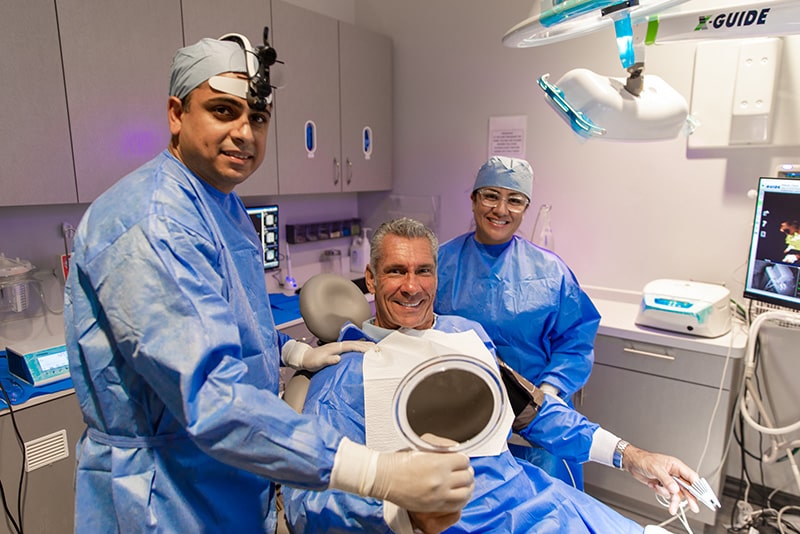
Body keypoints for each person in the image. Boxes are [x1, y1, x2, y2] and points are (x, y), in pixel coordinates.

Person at [63, 37, 474, 533]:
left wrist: (293, 353)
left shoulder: (222, 206)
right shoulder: (153, 223)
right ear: (176, 114)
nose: (244, 133)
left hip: (227, 478)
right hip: (162, 494)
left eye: (257, 117)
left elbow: (226, 326)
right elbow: (212, 396)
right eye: (222, 110)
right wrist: (379, 473)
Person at [282, 217, 701, 534]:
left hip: (538, 503)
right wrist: (405, 513)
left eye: (423, 271)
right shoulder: (346, 375)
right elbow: (308, 504)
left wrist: (631, 456)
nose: (411, 287)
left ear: (437, 276)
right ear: (371, 279)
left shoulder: (465, 336)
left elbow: (534, 412)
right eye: (395, 271)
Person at [435, 155, 599, 487]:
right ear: (473, 200)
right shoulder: (441, 262)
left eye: (515, 200)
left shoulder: (550, 272)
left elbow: (575, 340)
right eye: (490, 196)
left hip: (534, 413)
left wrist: (550, 391)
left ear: (526, 208)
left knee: (544, 509)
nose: (501, 209)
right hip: (462, 411)